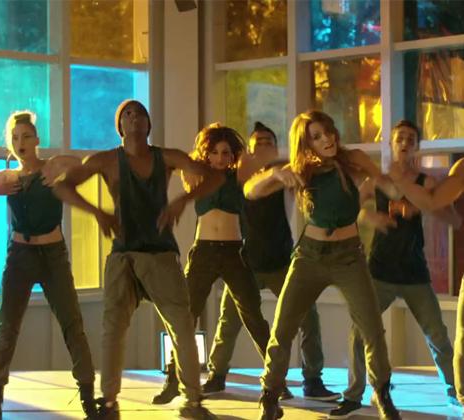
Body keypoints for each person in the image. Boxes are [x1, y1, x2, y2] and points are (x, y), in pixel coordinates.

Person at [55, 99, 224, 420]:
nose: (134, 117)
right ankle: (109, 403)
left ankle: (193, 401)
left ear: (148, 124)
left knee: (182, 326)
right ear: (120, 126)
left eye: (140, 113)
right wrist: (97, 212)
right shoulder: (105, 160)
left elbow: (215, 177)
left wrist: (183, 200)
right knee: (113, 329)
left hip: (160, 254)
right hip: (123, 254)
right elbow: (63, 187)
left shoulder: (167, 157)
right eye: (127, 114)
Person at [246, 110, 401, 420]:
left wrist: (392, 187)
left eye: (328, 131)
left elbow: (385, 184)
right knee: (283, 328)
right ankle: (270, 396)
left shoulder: (352, 159)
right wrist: (274, 174)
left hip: (349, 256)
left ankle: (383, 393)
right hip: (309, 256)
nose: (327, 139)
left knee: (371, 327)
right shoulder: (301, 170)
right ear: (306, 143)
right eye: (316, 137)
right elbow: (250, 191)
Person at [329, 120, 460, 418]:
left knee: (437, 335)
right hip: (379, 270)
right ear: (391, 143)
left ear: (416, 146)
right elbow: (349, 211)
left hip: (414, 272)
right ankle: (353, 395)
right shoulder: (376, 181)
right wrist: (370, 217)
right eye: (400, 137)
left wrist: (422, 205)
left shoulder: (426, 182)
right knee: (359, 332)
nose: (405, 142)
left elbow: (453, 219)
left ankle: (456, 391)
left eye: (411, 138)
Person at [202, 122, 340, 402]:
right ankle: (217, 376)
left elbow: (302, 170)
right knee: (229, 321)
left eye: (269, 142)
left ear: (276, 148)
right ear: (249, 152)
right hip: (245, 264)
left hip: (281, 261)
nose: (264, 147)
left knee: (308, 316)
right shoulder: (239, 178)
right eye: (259, 143)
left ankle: (313, 380)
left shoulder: (285, 176)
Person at [0, 111, 97, 420]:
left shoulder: (52, 168)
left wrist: (62, 163)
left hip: (53, 255)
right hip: (20, 256)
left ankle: (87, 395)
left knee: (72, 323)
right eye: (15, 138)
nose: (21, 143)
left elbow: (84, 166)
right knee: (6, 327)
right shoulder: (8, 178)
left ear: (37, 139)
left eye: (26, 136)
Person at [152, 123, 271, 405]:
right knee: (186, 315)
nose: (220, 158)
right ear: (206, 154)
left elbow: (256, 161)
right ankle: (173, 380)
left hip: (233, 253)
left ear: (233, 155)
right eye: (214, 152)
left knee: (253, 314)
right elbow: (176, 162)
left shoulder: (239, 176)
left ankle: (274, 379)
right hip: (204, 252)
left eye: (225, 152)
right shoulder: (196, 177)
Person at [387, 144, 464, 408]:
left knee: (449, 336)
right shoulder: (462, 169)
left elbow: (435, 205)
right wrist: (403, 185)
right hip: (387, 269)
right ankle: (460, 395)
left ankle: (458, 393)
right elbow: (434, 203)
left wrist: (405, 187)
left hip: (414, 272)